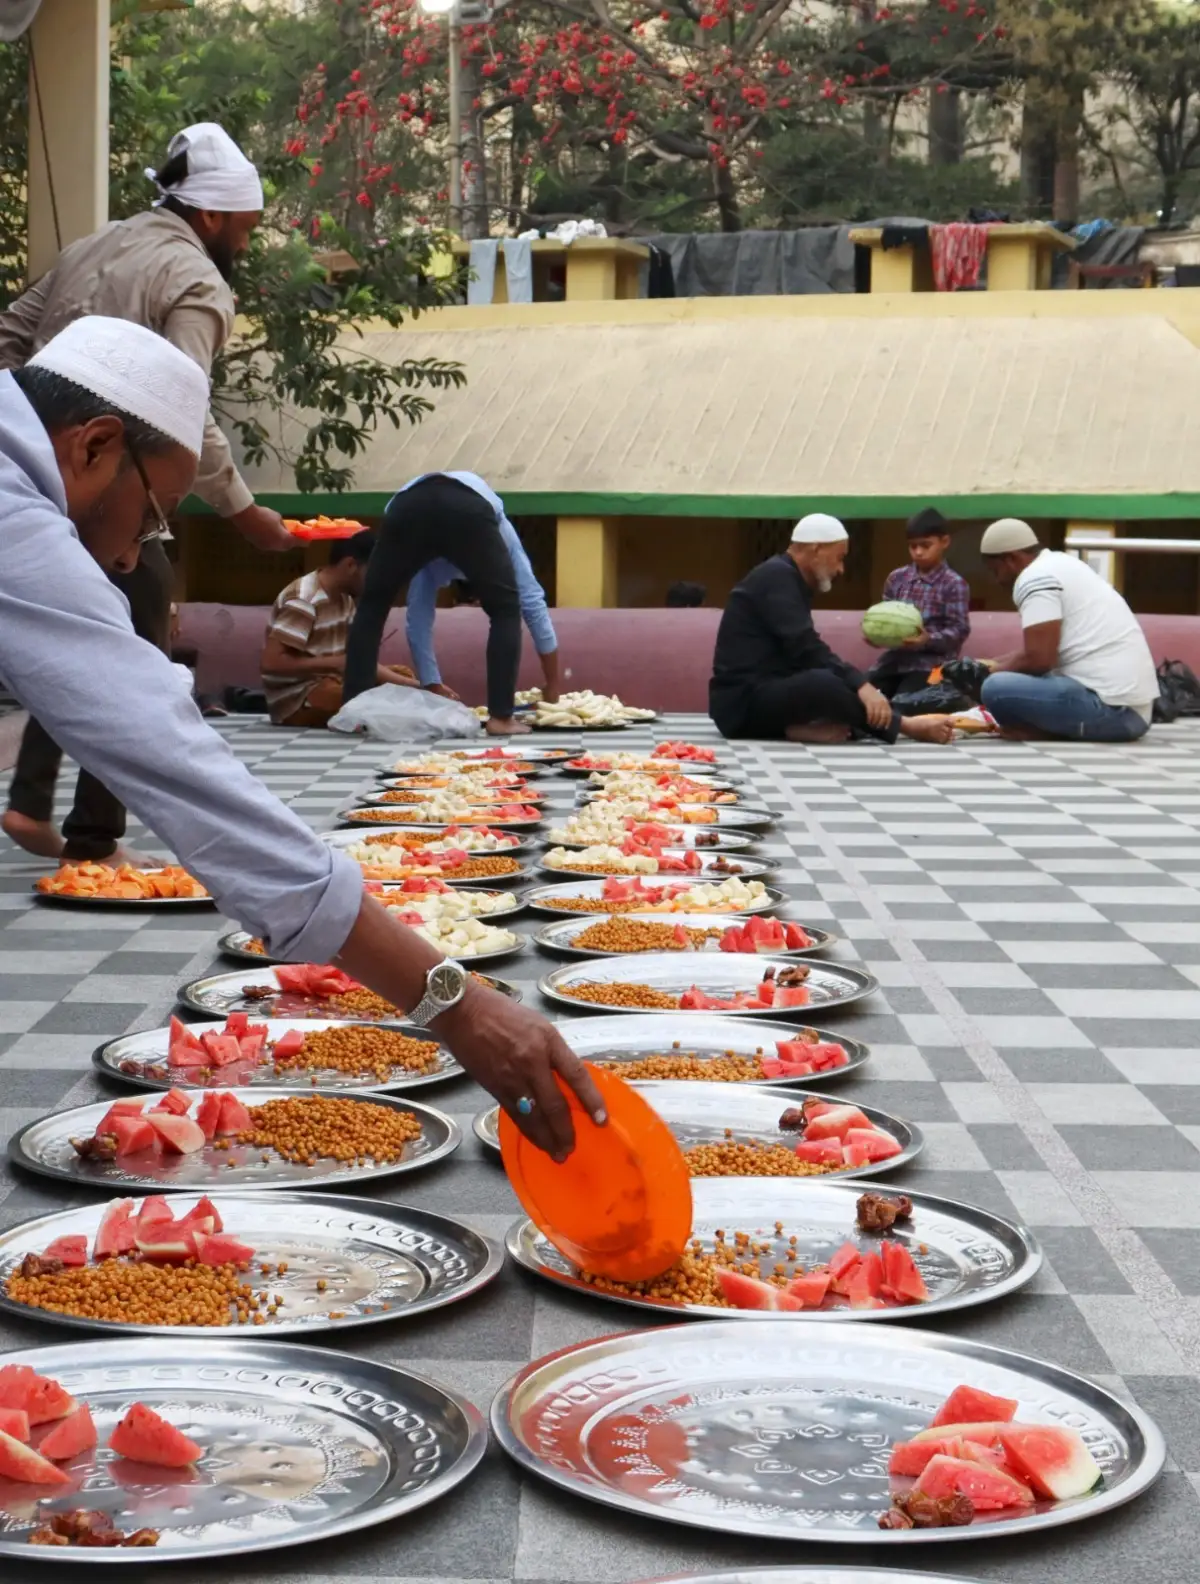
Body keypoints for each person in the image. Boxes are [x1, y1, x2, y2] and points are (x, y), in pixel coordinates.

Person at [0, 314, 603, 1162]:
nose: (136, 559)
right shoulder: (14, 514)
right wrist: (458, 1008)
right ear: (95, 446)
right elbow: (171, 758)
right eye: (154, 518)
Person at [0, 121, 294, 864]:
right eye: (248, 228)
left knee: (81, 620)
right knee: (137, 618)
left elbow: (9, 340)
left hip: (46, 480)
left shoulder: (89, 248)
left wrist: (26, 427)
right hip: (97, 490)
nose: (247, 245)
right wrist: (243, 510)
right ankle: (94, 838)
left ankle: (33, 802)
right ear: (216, 216)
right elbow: (180, 411)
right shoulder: (195, 280)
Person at [344, 471, 559, 734]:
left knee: (372, 606)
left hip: (408, 506)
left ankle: (353, 716)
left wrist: (431, 682)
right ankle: (501, 718)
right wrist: (553, 684)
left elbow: (417, 619)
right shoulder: (501, 533)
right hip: (463, 508)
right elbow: (533, 603)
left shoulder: (424, 557)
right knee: (505, 609)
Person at [709, 513, 954, 745]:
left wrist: (854, 683)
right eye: (839, 557)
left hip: (765, 694)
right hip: (740, 705)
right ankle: (907, 726)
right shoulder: (776, 578)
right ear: (817, 549)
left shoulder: (789, 577)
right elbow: (806, 648)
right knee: (824, 683)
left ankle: (800, 729)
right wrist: (861, 685)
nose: (841, 569)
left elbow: (799, 656)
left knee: (833, 678)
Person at [976, 518, 1158, 741]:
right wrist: (991, 663)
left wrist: (984, 675)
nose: (997, 580)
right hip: (1135, 712)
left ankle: (1041, 730)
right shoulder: (1060, 563)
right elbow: (1037, 653)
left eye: (996, 571)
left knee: (995, 688)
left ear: (1011, 559)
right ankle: (1043, 728)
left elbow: (1039, 660)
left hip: (1114, 714)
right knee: (1002, 677)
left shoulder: (1034, 579)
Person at [261, 532, 416, 727]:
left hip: (337, 683)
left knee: (403, 676)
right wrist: (333, 663)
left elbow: (356, 664)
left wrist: (419, 687)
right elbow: (271, 662)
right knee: (363, 698)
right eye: (373, 573)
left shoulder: (345, 599)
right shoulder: (304, 600)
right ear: (351, 565)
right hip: (298, 699)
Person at [866, 507, 970, 699]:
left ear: (944, 542)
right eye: (913, 546)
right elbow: (885, 615)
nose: (918, 552)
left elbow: (959, 630)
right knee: (864, 696)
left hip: (932, 666)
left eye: (925, 545)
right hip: (893, 662)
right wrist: (876, 635)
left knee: (905, 703)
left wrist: (927, 640)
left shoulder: (954, 583)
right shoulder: (897, 578)